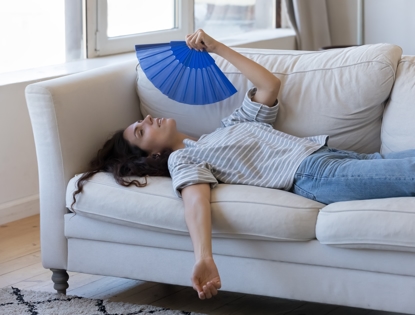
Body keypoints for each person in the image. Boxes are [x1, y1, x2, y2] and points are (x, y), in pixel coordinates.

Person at [73, 29, 415, 300]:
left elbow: (269, 85)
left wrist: (217, 47)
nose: (148, 118)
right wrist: (203, 256)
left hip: (331, 156)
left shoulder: (226, 127)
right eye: (141, 130)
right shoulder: (184, 158)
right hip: (315, 176)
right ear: (150, 156)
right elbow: (195, 199)